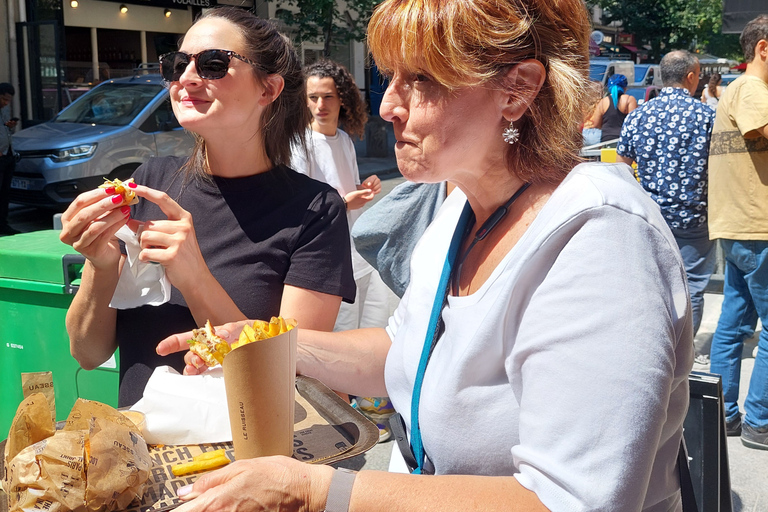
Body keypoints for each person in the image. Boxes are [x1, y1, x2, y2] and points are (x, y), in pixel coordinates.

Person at [159, 0, 693, 509]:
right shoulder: (461, 210)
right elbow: (404, 351)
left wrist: (315, 490)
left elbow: (573, 501)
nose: (389, 105)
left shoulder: (599, 235)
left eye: (421, 80)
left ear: (517, 90)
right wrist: (258, 341)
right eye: (392, 77)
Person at [58, 7, 355, 407]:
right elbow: (87, 354)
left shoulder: (315, 210)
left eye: (213, 64)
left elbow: (294, 375)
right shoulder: (150, 184)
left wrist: (195, 279)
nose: (186, 78)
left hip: (243, 456)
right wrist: (101, 263)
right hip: (139, 451)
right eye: (176, 64)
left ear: (268, 90)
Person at [290, 59, 397, 440]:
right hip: (322, 254)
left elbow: (344, 191)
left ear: (343, 100)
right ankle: (333, 422)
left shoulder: (346, 141)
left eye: (328, 97)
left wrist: (361, 191)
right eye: (313, 98)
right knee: (332, 338)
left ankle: (359, 414)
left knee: (357, 331)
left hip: (354, 248)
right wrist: (343, 202)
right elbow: (299, 203)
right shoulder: (299, 142)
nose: (320, 105)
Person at [617, 50, 716, 338]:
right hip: (694, 220)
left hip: (651, 219)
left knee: (653, 286)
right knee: (691, 287)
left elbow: (621, 169)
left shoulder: (639, 116)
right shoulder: (708, 116)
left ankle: (654, 346)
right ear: (690, 77)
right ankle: (686, 352)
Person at [707, 14, 768, 449]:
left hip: (738, 223)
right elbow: (760, 130)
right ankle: (759, 421)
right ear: (763, 49)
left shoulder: (737, 88)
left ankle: (724, 413)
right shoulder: (751, 89)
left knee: (734, 320)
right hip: (757, 224)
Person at [588, 73, 638, 143]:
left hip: (606, 139)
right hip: (624, 139)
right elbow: (633, 122)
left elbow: (596, 124)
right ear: (625, 88)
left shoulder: (603, 102)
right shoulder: (629, 100)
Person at [0, 83, 19, 236]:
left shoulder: (3, 111)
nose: (6, 103)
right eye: (4, 99)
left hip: (8, 154)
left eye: (8, 100)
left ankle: (3, 224)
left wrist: (10, 126)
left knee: (5, 192)